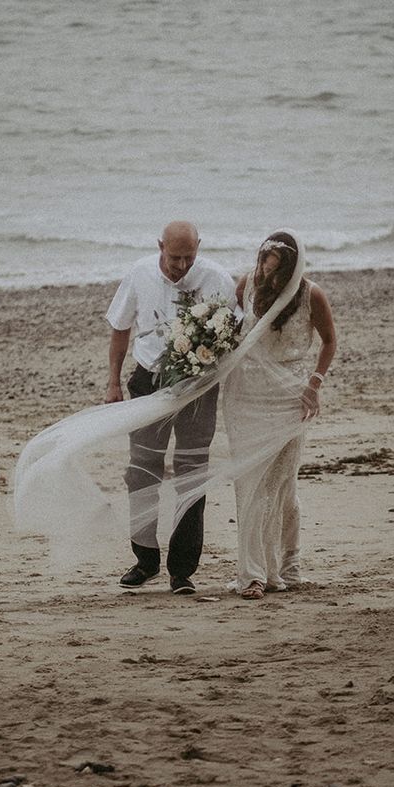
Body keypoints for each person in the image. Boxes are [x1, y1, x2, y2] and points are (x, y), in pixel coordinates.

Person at [105, 220, 236, 593]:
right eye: (175, 257)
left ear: (199, 248)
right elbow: (120, 327)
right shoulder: (139, 273)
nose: (181, 266)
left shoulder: (216, 279)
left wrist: (206, 367)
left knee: (192, 471)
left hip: (199, 386)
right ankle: (144, 561)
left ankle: (182, 570)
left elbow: (233, 334)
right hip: (148, 379)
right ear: (160, 245)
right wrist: (114, 381)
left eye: (189, 258)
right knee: (142, 469)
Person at [222, 231, 337, 600]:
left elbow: (330, 341)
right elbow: (229, 331)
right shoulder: (246, 286)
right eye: (262, 265)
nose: (264, 275)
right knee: (249, 486)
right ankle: (254, 574)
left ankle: (288, 564)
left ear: (289, 269)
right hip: (244, 396)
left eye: (273, 270)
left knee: (282, 487)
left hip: (288, 397)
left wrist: (314, 384)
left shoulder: (310, 295)